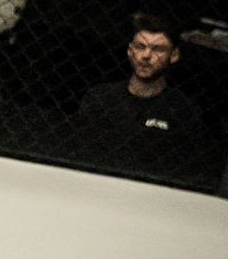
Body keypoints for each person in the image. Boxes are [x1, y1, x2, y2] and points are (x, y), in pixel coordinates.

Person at [77, 13, 215, 155]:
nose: (146, 55)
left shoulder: (183, 109)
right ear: (130, 50)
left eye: (157, 49)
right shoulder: (100, 96)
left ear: (174, 55)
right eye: (140, 47)